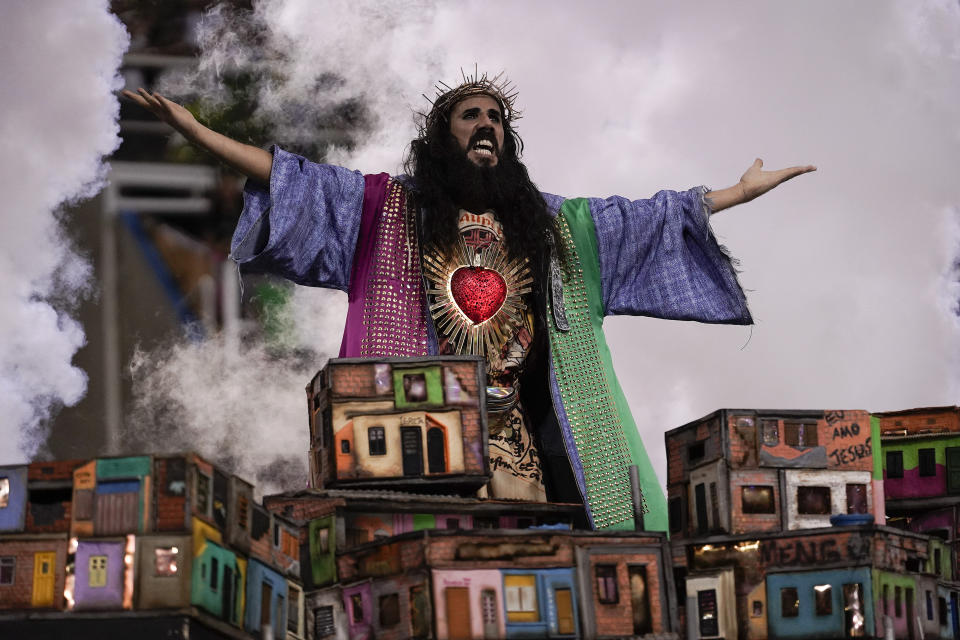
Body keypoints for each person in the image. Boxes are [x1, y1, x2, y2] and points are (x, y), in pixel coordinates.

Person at [123, 74, 814, 531]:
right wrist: (199, 134)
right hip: (423, 443)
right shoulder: (384, 209)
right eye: (469, 114)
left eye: (496, 117)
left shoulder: (558, 228)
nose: (486, 123)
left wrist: (730, 195)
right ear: (441, 135)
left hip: (518, 448)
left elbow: (646, 217)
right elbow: (294, 180)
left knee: (524, 572)